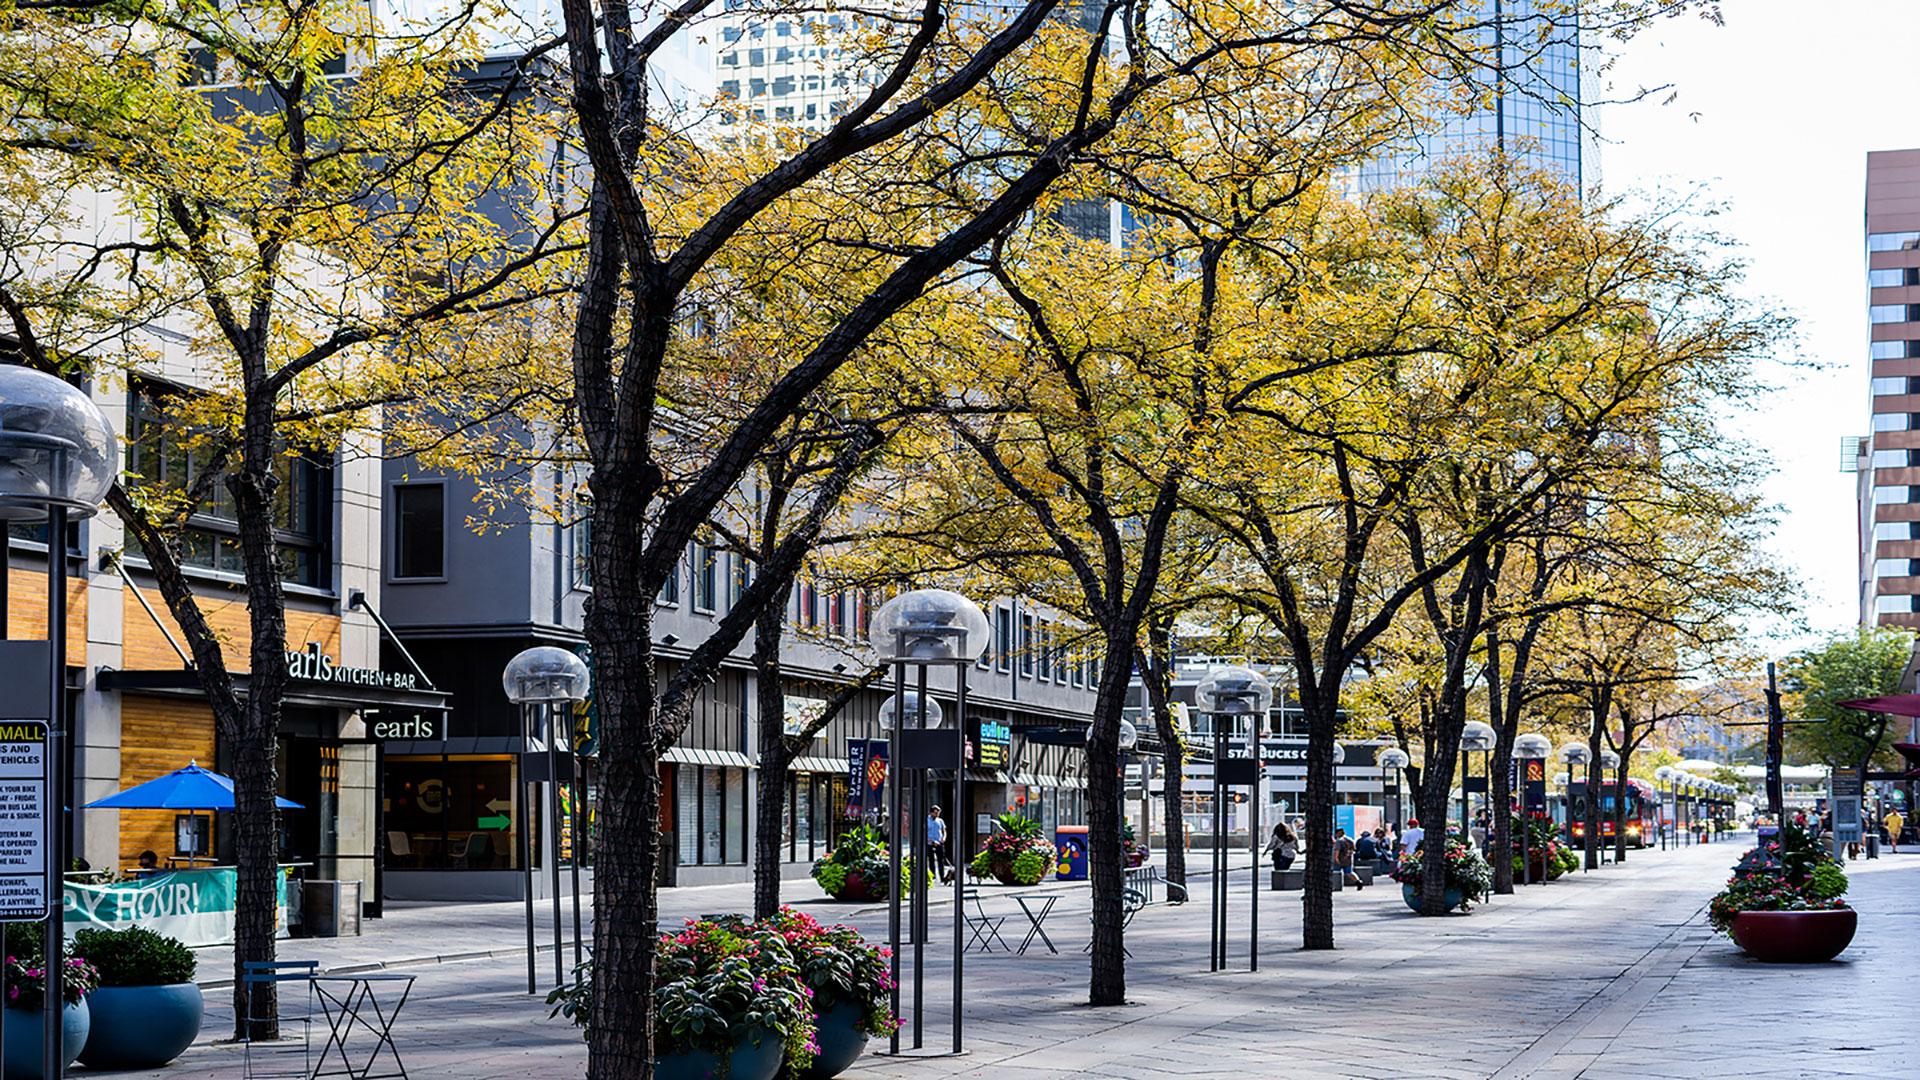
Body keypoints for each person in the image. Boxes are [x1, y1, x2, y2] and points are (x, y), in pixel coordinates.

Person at [927, 806, 950, 882]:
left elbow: (944, 830)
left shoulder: (940, 820)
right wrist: (932, 841)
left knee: (941, 860)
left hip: (939, 842)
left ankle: (942, 877)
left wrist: (944, 838)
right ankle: (933, 877)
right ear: (931, 812)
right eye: (935, 813)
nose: (937, 814)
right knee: (931, 860)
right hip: (930, 843)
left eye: (938, 813)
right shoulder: (927, 820)